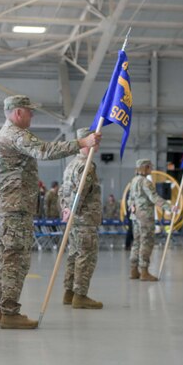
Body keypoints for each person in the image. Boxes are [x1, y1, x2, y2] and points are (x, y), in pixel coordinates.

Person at [0, 95, 101, 329]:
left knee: (6, 257)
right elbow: (44, 150)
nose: (32, 115)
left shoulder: (2, 135)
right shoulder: (15, 134)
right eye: (29, 111)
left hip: (9, 206)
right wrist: (81, 143)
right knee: (16, 259)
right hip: (16, 207)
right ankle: (9, 312)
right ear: (18, 113)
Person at [60, 129, 103, 309]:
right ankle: (80, 295)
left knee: (74, 255)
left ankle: (69, 292)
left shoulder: (71, 164)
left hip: (74, 219)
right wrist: (73, 208)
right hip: (84, 219)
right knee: (86, 256)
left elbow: (64, 190)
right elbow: (81, 191)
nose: (98, 144)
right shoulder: (87, 166)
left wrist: (65, 208)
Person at [128, 159, 172, 281]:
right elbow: (154, 198)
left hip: (135, 216)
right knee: (146, 243)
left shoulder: (133, 181)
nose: (151, 169)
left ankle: (133, 270)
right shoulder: (145, 182)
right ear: (145, 167)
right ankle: (144, 272)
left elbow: (130, 199)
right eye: (150, 167)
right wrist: (170, 207)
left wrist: (132, 207)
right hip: (145, 217)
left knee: (136, 243)